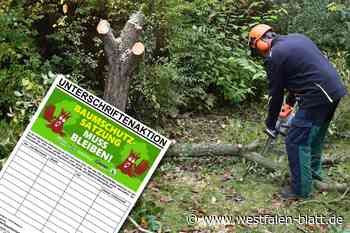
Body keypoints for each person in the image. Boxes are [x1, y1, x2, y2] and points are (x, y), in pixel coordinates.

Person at [248, 24, 347, 199]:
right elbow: (300, 74)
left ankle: (301, 190)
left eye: (258, 50)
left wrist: (270, 124)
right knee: (315, 135)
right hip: (334, 90)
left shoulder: (274, 55)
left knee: (295, 141)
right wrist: (290, 103)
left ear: (261, 42)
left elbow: (275, 95)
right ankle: (314, 174)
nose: (261, 54)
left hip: (316, 96)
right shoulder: (297, 38)